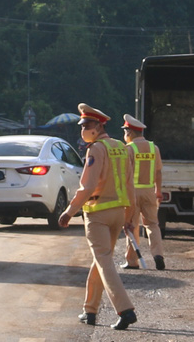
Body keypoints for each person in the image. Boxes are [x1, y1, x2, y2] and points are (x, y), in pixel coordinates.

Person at [57, 104, 138, 330]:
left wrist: (69, 211)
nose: (83, 129)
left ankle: (125, 309)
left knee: (104, 261)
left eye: (87, 125)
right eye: (82, 125)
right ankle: (89, 310)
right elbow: (129, 186)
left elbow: (88, 186)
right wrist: (129, 217)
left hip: (98, 213)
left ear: (99, 125)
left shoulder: (96, 149)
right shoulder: (122, 148)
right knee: (100, 260)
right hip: (118, 213)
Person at [122, 114, 166, 271]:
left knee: (132, 226)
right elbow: (159, 172)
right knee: (153, 225)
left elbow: (124, 174)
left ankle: (132, 261)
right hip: (149, 191)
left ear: (130, 132)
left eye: (125, 131)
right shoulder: (154, 148)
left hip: (132, 192)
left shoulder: (129, 149)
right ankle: (158, 255)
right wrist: (158, 191)